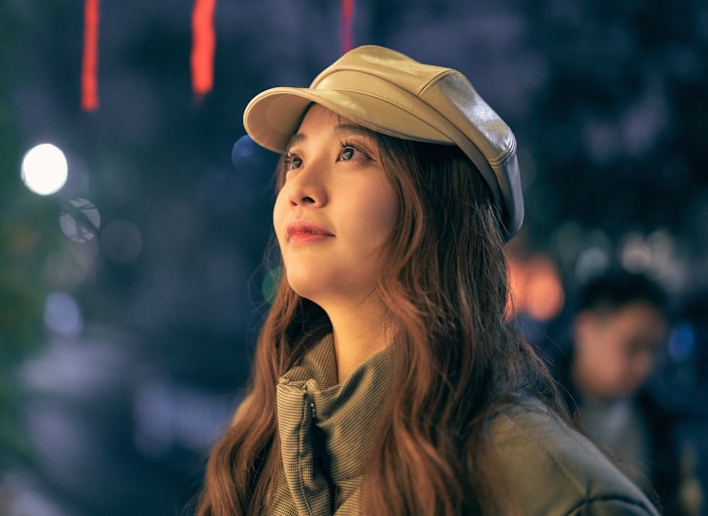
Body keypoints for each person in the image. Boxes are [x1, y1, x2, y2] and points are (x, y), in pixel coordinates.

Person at [195, 45, 657, 514]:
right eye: (294, 160)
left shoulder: (562, 497)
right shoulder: (259, 444)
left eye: (350, 152)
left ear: (438, 205)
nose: (299, 189)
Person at [547, 270, 702, 516]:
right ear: (586, 329)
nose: (646, 366)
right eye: (633, 346)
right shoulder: (539, 406)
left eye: (654, 349)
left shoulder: (662, 422)